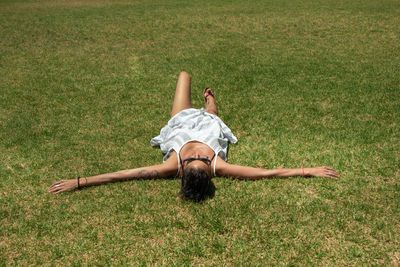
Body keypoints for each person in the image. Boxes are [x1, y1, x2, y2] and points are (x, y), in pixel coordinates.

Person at [48, 72, 339, 201]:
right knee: (211, 111)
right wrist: (307, 170)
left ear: (183, 170)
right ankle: (210, 98)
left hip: (182, 122)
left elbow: (122, 175)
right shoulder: (217, 166)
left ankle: (206, 98)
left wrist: (80, 182)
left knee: (183, 75)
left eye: (195, 160)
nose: (199, 155)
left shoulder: (170, 166)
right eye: (202, 159)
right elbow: (265, 173)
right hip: (210, 125)